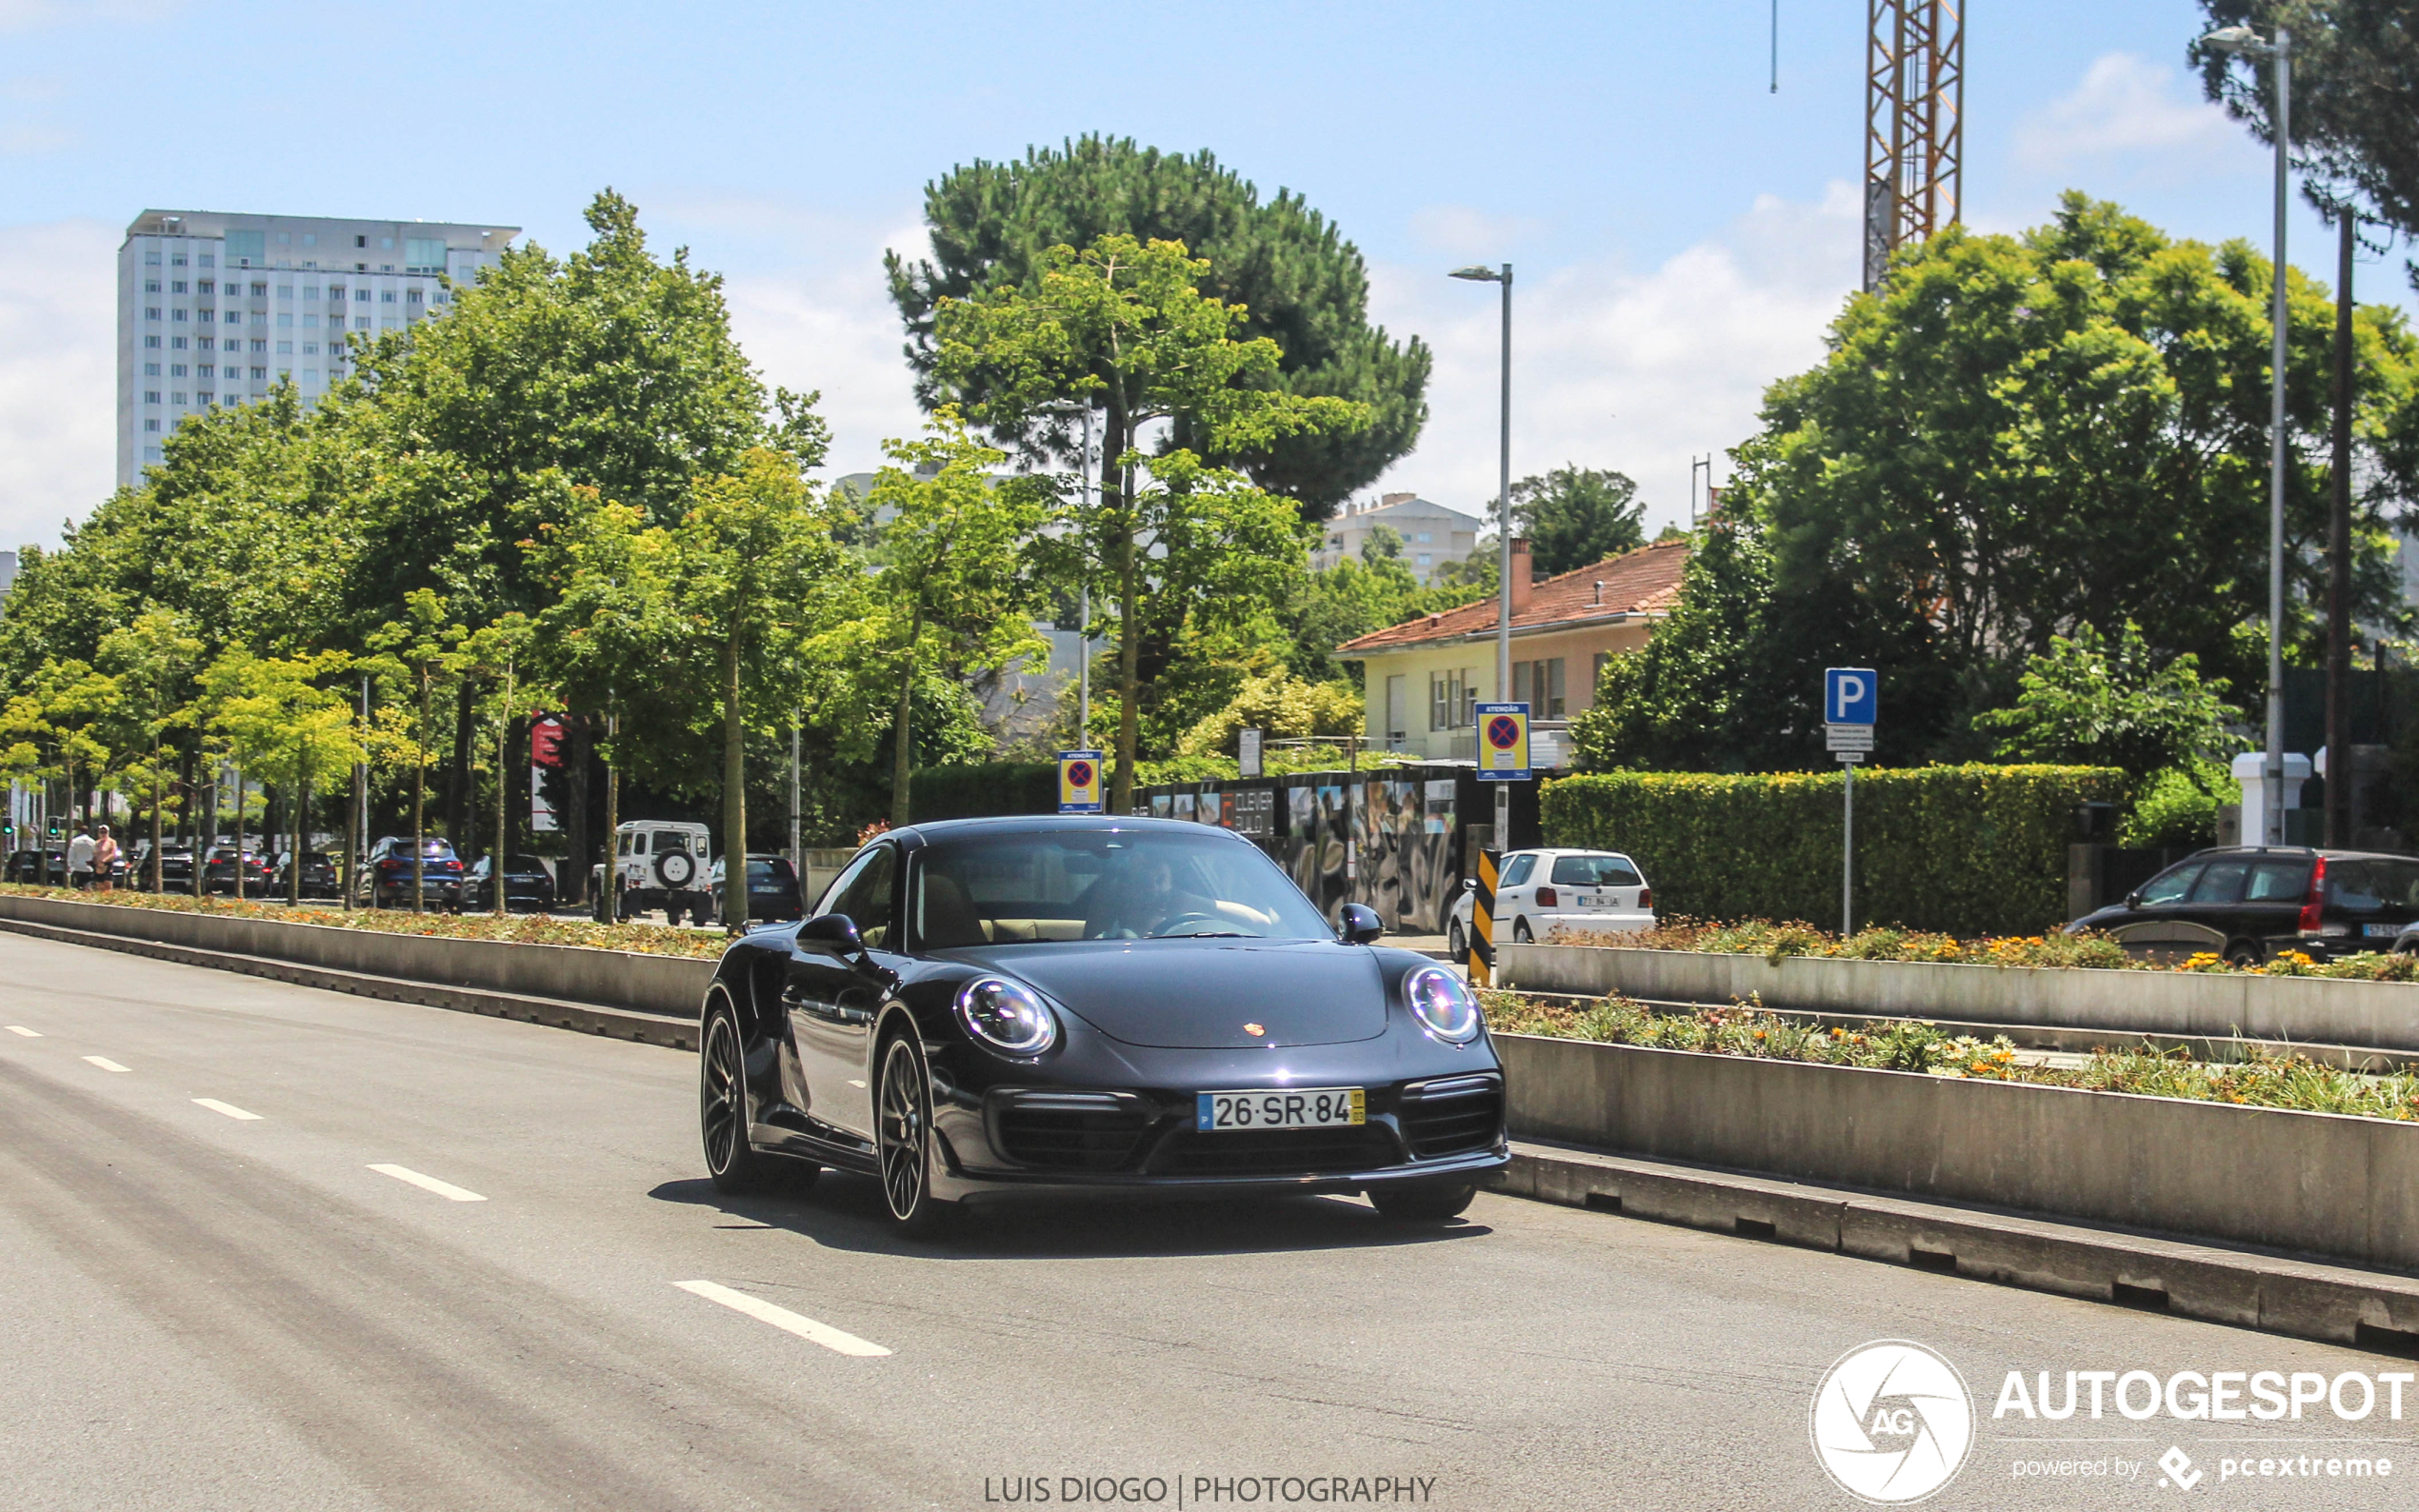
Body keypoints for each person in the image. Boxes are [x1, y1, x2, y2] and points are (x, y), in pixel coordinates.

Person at [65, 825, 96, 890]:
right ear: (88, 832)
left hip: (77, 866)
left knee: (78, 885)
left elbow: (71, 854)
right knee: (88, 883)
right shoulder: (93, 842)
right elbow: (95, 853)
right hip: (88, 866)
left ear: (80, 832)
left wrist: (70, 865)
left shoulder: (75, 841)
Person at [90, 826, 120, 893]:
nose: (103, 834)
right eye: (101, 832)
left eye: (105, 832)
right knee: (99, 884)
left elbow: (113, 853)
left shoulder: (112, 842)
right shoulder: (97, 842)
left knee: (107, 885)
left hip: (107, 864)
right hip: (98, 865)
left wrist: (104, 860)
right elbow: (94, 853)